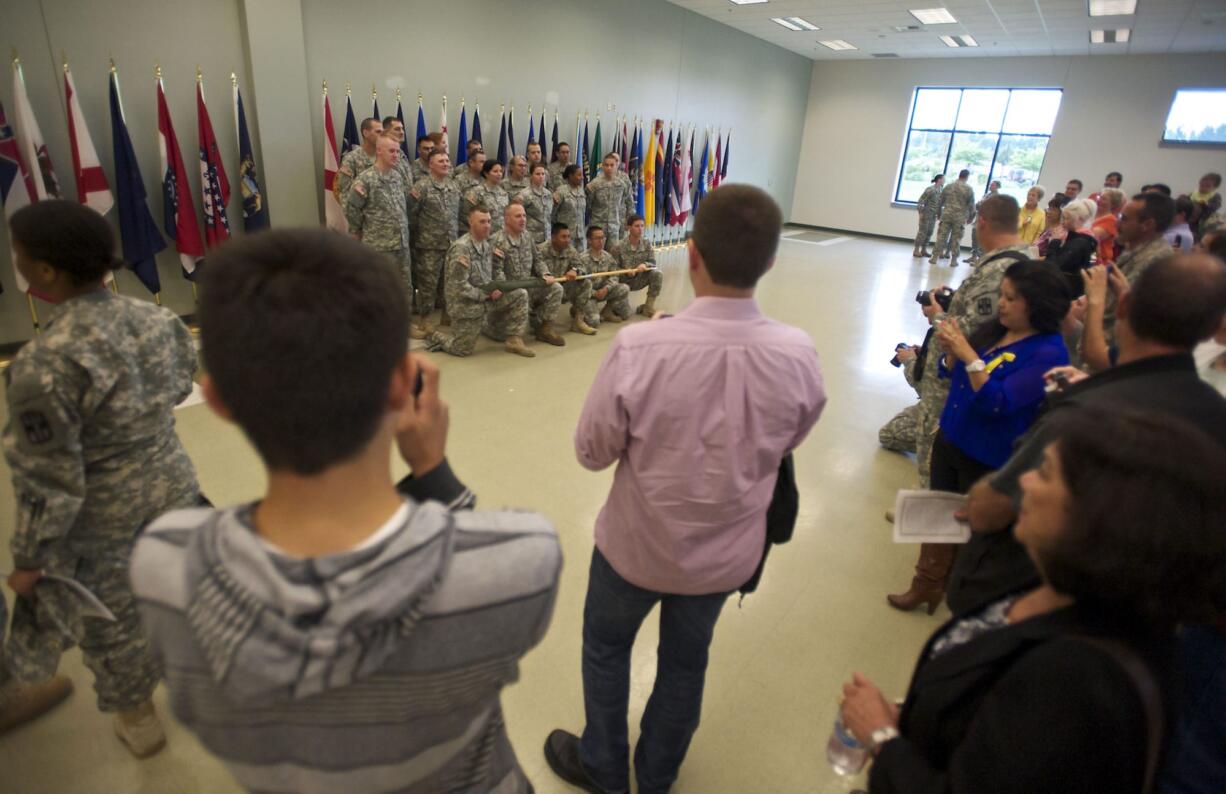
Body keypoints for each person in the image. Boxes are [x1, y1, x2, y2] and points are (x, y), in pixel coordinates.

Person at [131, 228, 560, 794]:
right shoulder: (521, 560)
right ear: (408, 384)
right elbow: (451, 558)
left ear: (216, 401)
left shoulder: (163, 568)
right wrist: (436, 475)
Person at [543, 185, 826, 794]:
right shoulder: (798, 355)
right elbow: (790, 439)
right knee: (684, 665)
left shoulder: (641, 347)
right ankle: (657, 775)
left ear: (691, 254)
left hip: (634, 549)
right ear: (771, 261)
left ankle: (602, 765)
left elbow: (592, 454)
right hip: (723, 557)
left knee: (606, 650)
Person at [843, 409, 1226, 794]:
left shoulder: (1075, 681)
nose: (1022, 481)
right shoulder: (1054, 587)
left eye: (1044, 472)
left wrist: (881, 737)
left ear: (1098, 517)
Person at [2, 200, 202, 756]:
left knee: (111, 617)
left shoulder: (43, 362)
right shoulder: (161, 320)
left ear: (45, 271)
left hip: (100, 513)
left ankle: (139, 720)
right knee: (178, 589)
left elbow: (48, 480)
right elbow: (182, 387)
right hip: (173, 484)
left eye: (19, 256)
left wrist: (28, 559)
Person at [950, 253, 1226, 614]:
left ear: (1123, 305)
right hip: (1152, 606)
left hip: (1046, 594)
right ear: (1211, 330)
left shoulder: (1083, 416)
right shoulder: (1214, 414)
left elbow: (992, 508)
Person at [888, 260, 1070, 614]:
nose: (1002, 304)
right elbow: (949, 370)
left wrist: (968, 356)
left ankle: (958, 592)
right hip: (952, 438)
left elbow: (998, 402)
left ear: (1038, 304)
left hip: (987, 455)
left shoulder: (1048, 352)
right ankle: (925, 585)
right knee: (937, 514)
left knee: (972, 529)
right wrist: (952, 358)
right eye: (1003, 295)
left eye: (1012, 298)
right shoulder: (996, 329)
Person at [909, 195, 1035, 505]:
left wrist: (937, 314)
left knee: (934, 441)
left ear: (982, 222)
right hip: (965, 368)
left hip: (956, 371)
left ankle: (930, 514)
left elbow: (971, 331)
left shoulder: (1001, 269)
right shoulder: (1013, 260)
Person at [427, 205, 535, 358]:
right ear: (471, 222)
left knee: (520, 294)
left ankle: (513, 340)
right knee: (461, 350)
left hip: (487, 297)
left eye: (489, 221)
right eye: (482, 222)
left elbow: (495, 271)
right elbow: (457, 287)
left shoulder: (487, 244)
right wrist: (483, 294)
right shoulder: (461, 248)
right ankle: (434, 335)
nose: (487, 226)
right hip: (466, 304)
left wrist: (498, 287)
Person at [345, 135, 418, 333]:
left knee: (405, 286)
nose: (396, 155)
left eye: (397, 151)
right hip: (378, 244)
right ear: (379, 151)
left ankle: (404, 323)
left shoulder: (397, 176)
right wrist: (357, 230)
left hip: (401, 242)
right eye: (391, 151)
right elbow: (352, 208)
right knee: (379, 287)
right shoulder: (365, 179)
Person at [1100, 192, 1176, 346]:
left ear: (1147, 224)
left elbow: (1120, 313)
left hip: (1112, 344)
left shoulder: (1154, 261)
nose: (1117, 224)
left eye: (1124, 219)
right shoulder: (1135, 248)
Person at [491, 202, 566, 347]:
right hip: (506, 293)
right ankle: (514, 339)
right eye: (518, 216)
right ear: (506, 219)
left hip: (526, 288)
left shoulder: (527, 237)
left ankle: (544, 329)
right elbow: (496, 272)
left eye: (524, 215)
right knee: (500, 332)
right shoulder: (497, 240)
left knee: (556, 287)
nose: (523, 219)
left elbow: (538, 260)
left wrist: (545, 273)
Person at [409, 149, 462, 333]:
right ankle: (425, 319)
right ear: (430, 164)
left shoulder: (454, 186)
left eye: (447, 160)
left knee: (449, 282)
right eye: (441, 161)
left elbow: (458, 214)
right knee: (427, 284)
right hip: (428, 244)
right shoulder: (421, 187)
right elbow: (412, 215)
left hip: (450, 243)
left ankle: (448, 315)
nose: (446, 164)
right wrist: (419, 238)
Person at [538, 223, 593, 341]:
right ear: (553, 237)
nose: (567, 240)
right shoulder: (541, 250)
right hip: (542, 291)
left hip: (562, 288)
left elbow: (583, 268)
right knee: (535, 325)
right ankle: (545, 328)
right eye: (563, 237)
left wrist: (575, 270)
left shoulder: (570, 250)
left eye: (569, 237)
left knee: (586, 283)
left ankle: (578, 321)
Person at [1043, 198, 1098, 297]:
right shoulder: (1074, 238)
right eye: (1063, 218)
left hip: (1065, 289)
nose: (1063, 222)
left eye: (1067, 219)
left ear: (1080, 219)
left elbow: (1053, 266)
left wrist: (1054, 242)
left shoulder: (1081, 242)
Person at [580, 224, 631, 328]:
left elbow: (614, 276)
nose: (601, 241)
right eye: (597, 238)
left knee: (624, 289)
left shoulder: (608, 257)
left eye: (602, 237)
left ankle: (607, 311)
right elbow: (579, 284)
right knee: (594, 322)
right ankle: (578, 310)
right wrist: (594, 293)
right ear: (589, 241)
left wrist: (606, 289)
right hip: (588, 295)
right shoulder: (582, 259)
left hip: (604, 291)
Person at [613, 215, 663, 316]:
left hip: (640, 279)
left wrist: (645, 264)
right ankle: (614, 305)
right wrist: (626, 272)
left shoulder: (646, 243)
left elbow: (653, 262)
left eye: (642, 226)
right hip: (623, 282)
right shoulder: (618, 246)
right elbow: (612, 269)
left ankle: (648, 307)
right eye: (636, 226)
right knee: (625, 314)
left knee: (657, 274)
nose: (640, 229)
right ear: (629, 228)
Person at [929, 170, 975, 266]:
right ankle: (953, 260)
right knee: (956, 239)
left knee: (941, 236)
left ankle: (934, 258)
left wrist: (939, 214)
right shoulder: (968, 189)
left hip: (946, 216)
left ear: (959, 175)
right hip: (960, 218)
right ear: (967, 177)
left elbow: (940, 202)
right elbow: (972, 206)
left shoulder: (948, 186)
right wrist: (971, 218)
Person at [587, 154, 635, 241]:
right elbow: (588, 205)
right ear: (602, 166)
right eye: (606, 165)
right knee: (596, 253)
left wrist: (630, 221)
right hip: (597, 227)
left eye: (612, 165)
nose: (609, 168)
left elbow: (628, 201)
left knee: (614, 253)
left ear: (617, 166)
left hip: (614, 227)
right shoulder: (594, 184)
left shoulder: (622, 184)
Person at [334, 117, 381, 202]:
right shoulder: (351, 159)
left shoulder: (384, 156)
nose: (382, 135)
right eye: (378, 132)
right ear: (365, 133)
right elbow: (345, 193)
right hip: (364, 213)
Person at [464, 160, 510, 235]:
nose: (499, 174)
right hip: (483, 235)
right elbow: (467, 215)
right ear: (486, 173)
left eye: (501, 171)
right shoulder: (476, 192)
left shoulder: (504, 193)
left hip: (500, 236)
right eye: (495, 171)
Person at [553, 164, 587, 251]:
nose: (582, 177)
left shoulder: (581, 191)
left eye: (582, 175)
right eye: (579, 175)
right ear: (570, 176)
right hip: (566, 236)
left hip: (580, 235)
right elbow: (552, 213)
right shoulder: (561, 191)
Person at [519, 162, 554, 244]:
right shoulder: (524, 194)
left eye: (543, 174)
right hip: (531, 239)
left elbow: (550, 216)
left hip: (547, 238)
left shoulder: (548, 194)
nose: (541, 176)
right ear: (531, 176)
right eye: (537, 174)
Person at [968, 180, 1001, 264]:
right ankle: (973, 256)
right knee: (974, 237)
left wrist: (981, 205)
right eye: (990, 184)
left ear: (997, 187)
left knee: (981, 240)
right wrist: (978, 205)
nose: (990, 186)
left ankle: (981, 259)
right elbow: (979, 204)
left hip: (987, 221)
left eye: (993, 185)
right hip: (978, 219)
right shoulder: (987, 194)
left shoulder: (997, 197)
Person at [1089, 188, 1124, 265]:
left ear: (1113, 204)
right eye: (1100, 197)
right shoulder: (1091, 214)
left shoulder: (1112, 221)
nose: (1099, 200)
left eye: (1104, 199)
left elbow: (1091, 237)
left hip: (1097, 260)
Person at [912, 174, 944, 258]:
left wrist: (939, 214)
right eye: (943, 179)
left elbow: (940, 204)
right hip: (926, 214)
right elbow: (921, 201)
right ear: (939, 180)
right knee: (922, 232)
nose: (944, 181)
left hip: (933, 215)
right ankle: (916, 250)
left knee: (930, 232)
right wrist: (921, 213)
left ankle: (923, 250)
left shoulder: (941, 190)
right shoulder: (930, 189)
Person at [380, 116, 414, 184]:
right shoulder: (382, 153)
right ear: (386, 132)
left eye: (402, 129)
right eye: (397, 129)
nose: (402, 132)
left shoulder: (401, 153)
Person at [1188, 172, 1222, 240]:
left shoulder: (1215, 196)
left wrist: (1206, 205)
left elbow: (1214, 207)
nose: (1203, 188)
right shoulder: (1194, 193)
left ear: (1214, 187)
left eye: (1207, 186)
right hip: (1189, 219)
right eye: (1202, 185)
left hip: (1202, 222)